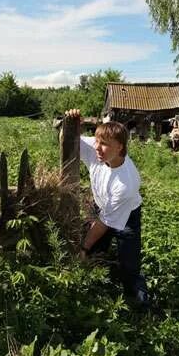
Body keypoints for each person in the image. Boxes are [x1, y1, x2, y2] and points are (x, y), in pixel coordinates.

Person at [64, 109, 150, 308]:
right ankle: (95, 291)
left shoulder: (126, 182)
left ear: (120, 147)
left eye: (104, 144)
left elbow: (104, 223)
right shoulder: (97, 152)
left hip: (127, 217)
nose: (97, 148)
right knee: (96, 252)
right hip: (101, 207)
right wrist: (71, 121)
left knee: (129, 266)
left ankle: (141, 307)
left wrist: (84, 247)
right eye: (97, 141)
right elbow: (68, 137)